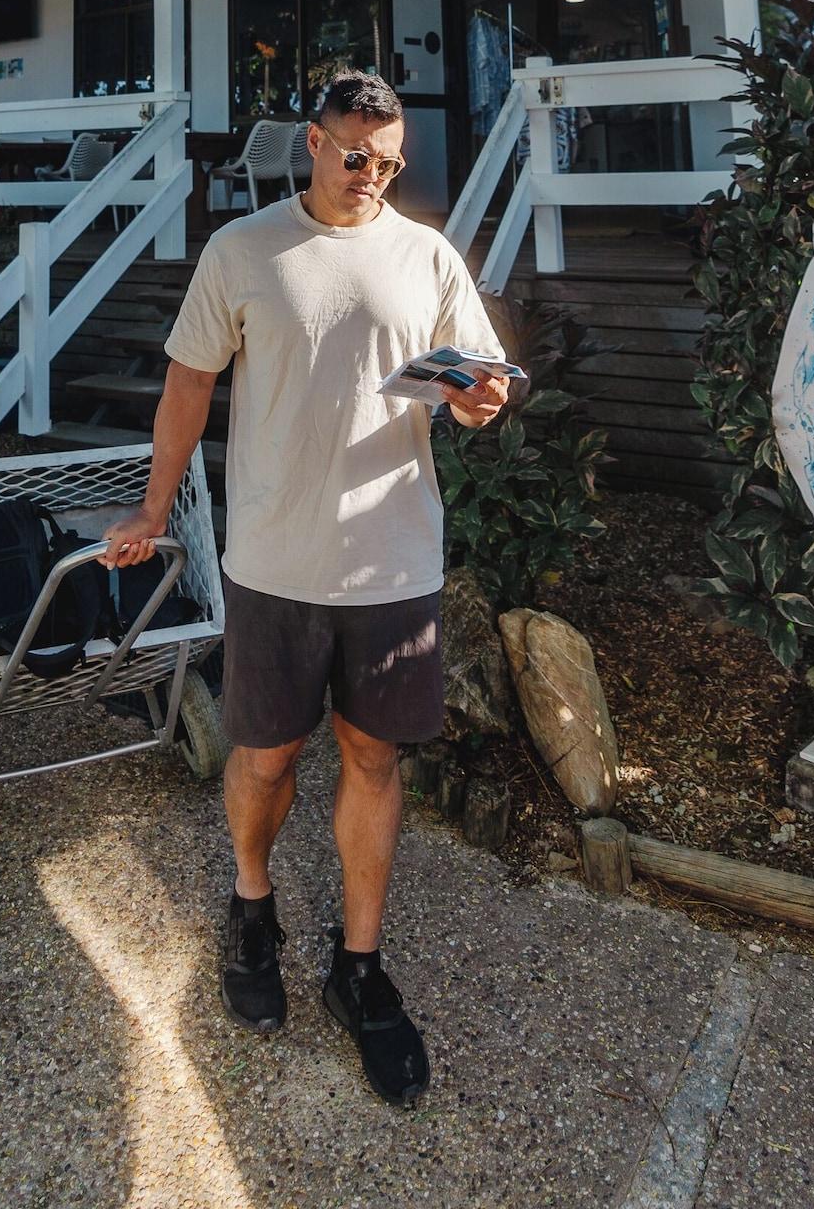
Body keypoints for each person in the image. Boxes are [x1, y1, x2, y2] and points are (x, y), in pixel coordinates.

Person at [102, 71, 510, 1107]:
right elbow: (189, 382)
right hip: (274, 561)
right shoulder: (241, 250)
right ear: (313, 146)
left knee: (374, 757)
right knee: (266, 754)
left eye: (389, 159)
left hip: (394, 563)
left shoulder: (426, 254)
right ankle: (252, 904)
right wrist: (154, 511)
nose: (372, 173)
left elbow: (481, 396)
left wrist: (480, 396)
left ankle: (359, 969)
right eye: (354, 153)